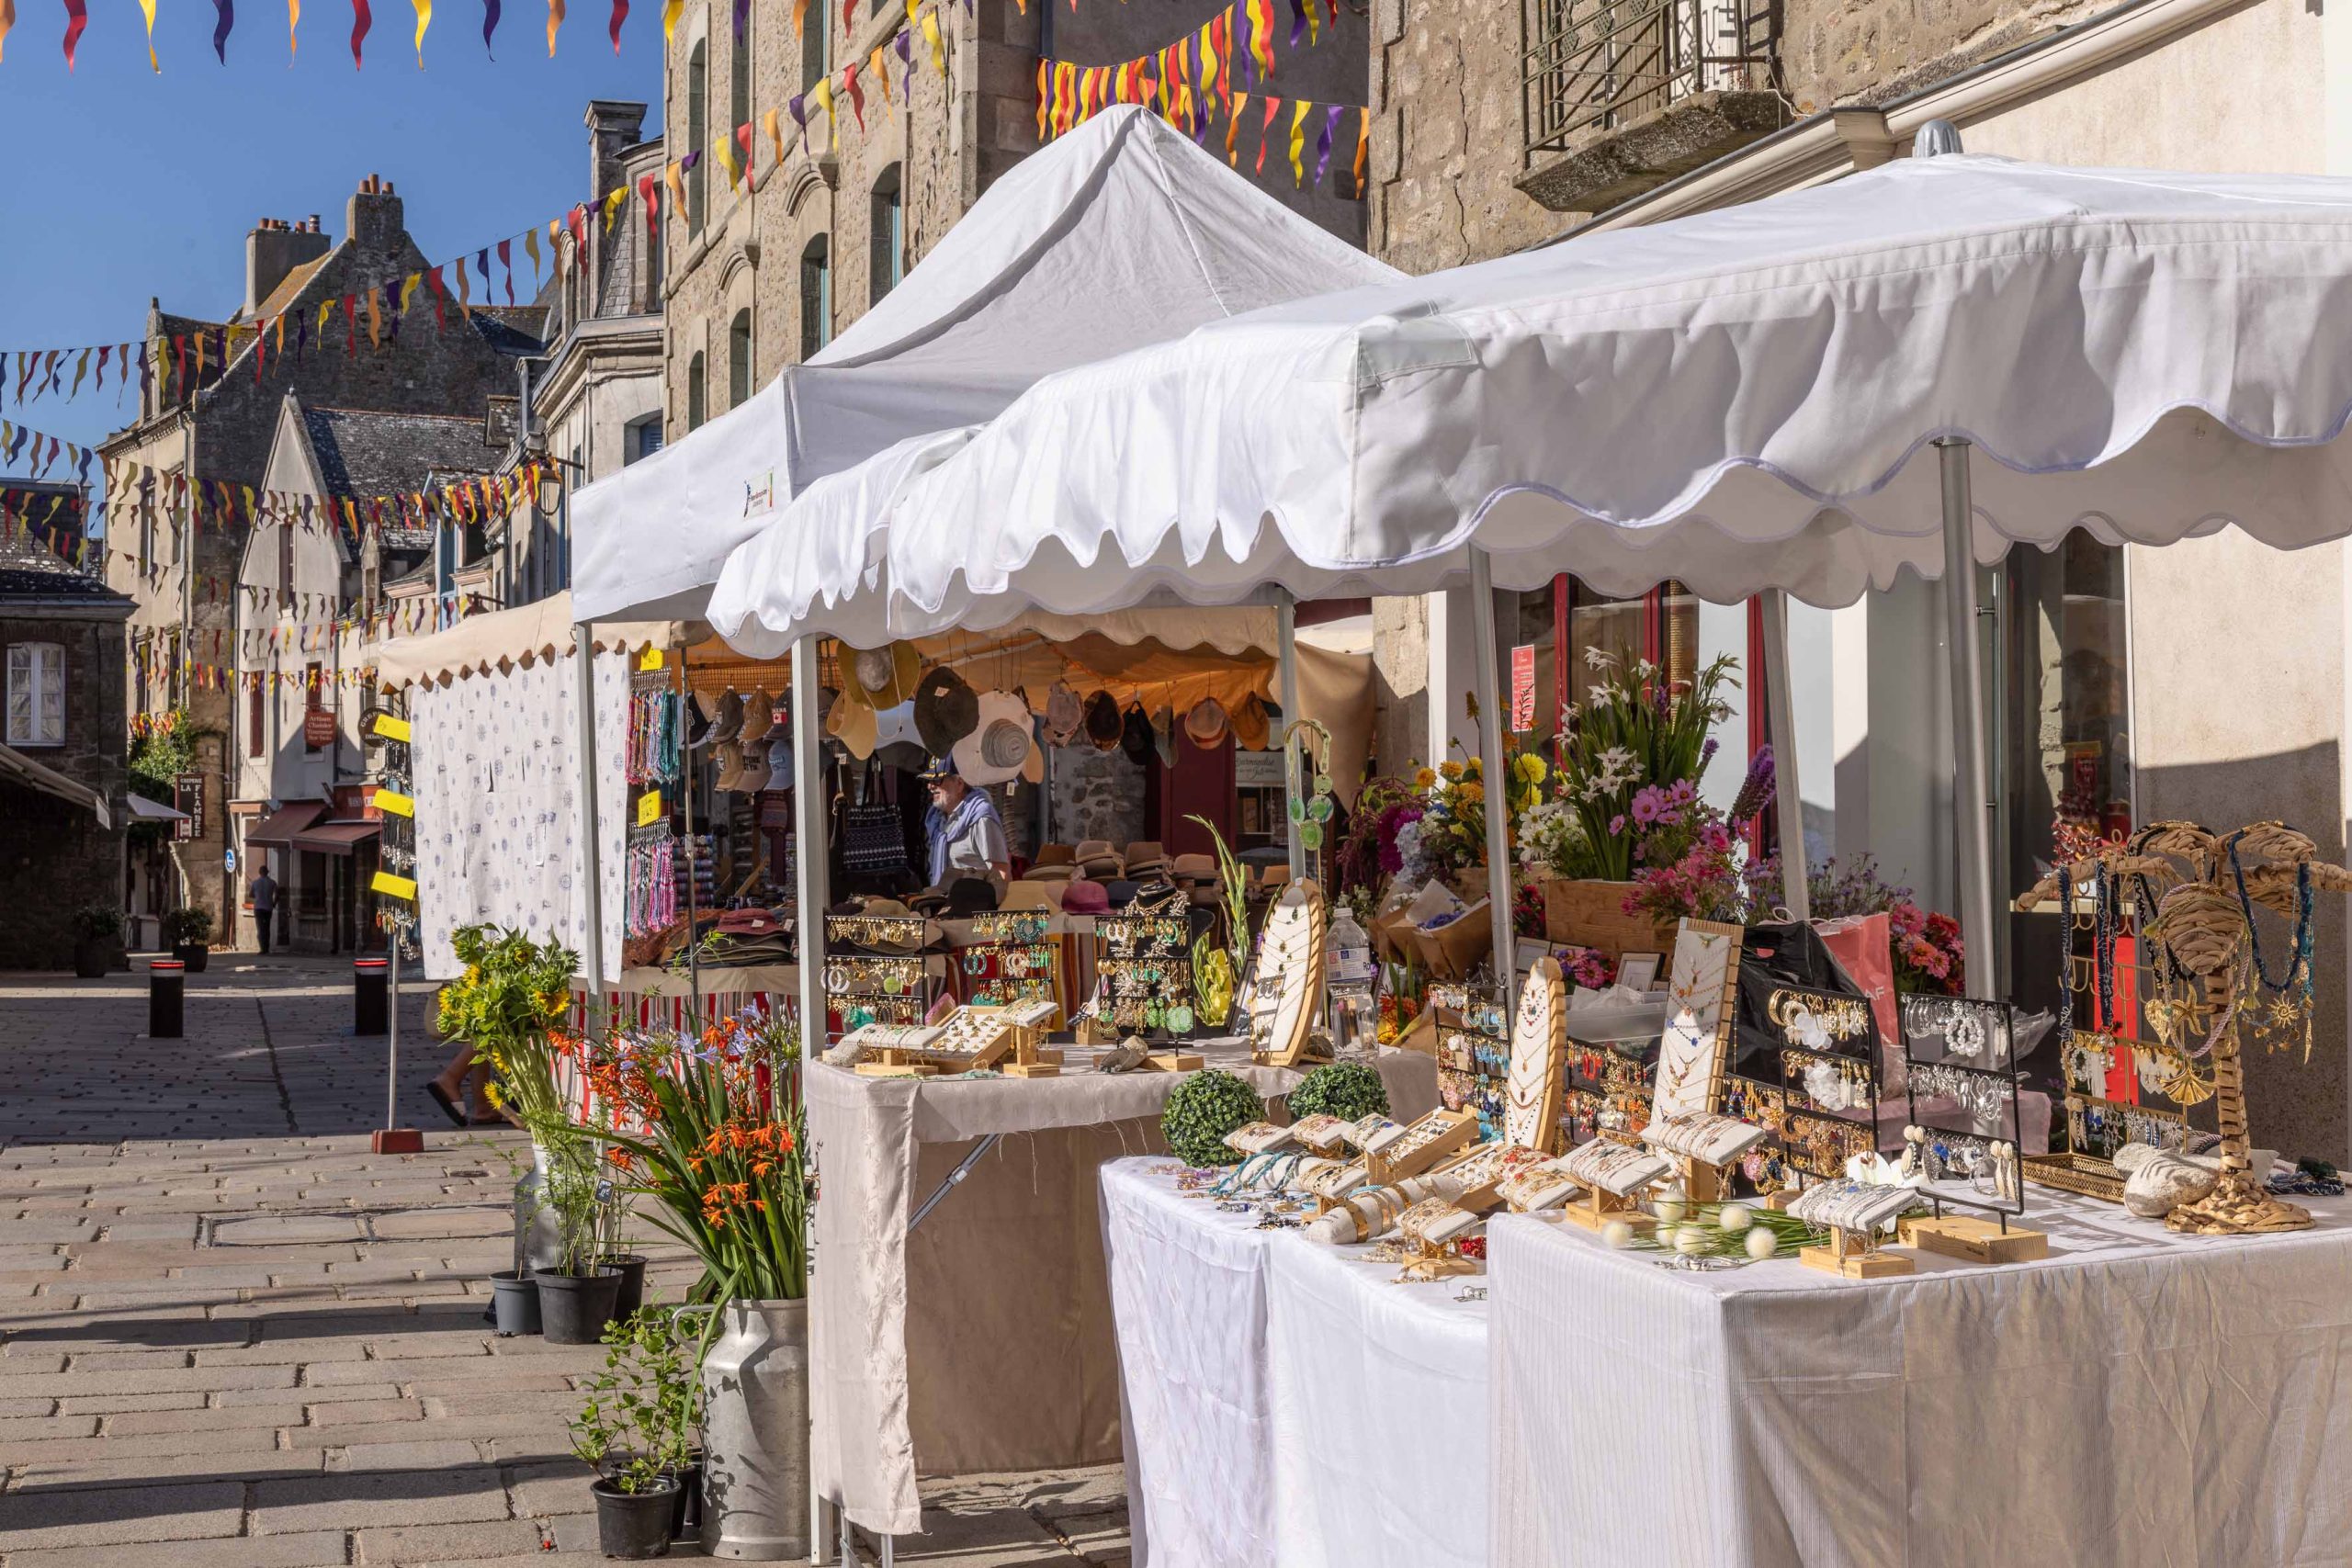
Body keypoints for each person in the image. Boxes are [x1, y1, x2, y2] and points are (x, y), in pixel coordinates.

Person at [922, 756, 1011, 892]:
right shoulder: (936, 820)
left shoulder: (981, 818)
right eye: (929, 781)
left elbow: (1001, 873)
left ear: (959, 783)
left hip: (975, 902)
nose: (930, 786)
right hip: (943, 901)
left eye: (937, 780)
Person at [248, 866, 278, 954]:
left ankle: (262, 948)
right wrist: (274, 903)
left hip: (258, 908)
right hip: (268, 908)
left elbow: (251, 895)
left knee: (260, 928)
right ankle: (266, 947)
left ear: (259, 872)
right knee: (267, 927)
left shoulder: (255, 883)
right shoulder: (272, 882)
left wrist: (258, 896)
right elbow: (277, 895)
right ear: (268, 872)